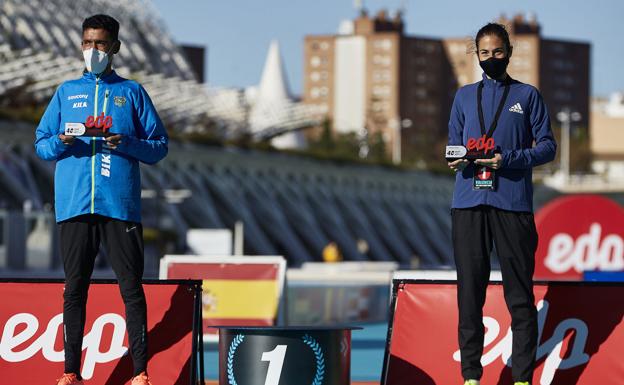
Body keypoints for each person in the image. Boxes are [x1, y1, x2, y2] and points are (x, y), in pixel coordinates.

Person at [34, 14, 167, 385]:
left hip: (119, 206)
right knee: (74, 289)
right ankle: (70, 372)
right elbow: (41, 145)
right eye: (88, 43)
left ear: (115, 48)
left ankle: (141, 373)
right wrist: (61, 142)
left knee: (131, 288)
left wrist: (127, 143)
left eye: (101, 44)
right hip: (75, 206)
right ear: (81, 45)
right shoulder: (66, 92)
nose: (93, 50)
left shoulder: (132, 93)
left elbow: (159, 147)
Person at [447, 23, 557, 385]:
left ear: (508, 52)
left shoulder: (527, 96)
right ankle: (471, 377)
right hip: (468, 204)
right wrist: (457, 158)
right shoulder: (463, 96)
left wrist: (506, 158)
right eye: (484, 53)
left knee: (520, 296)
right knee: (469, 295)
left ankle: (522, 378)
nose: (491, 59)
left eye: (497, 52)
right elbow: (452, 147)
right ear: (476, 55)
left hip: (512, 205)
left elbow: (547, 147)